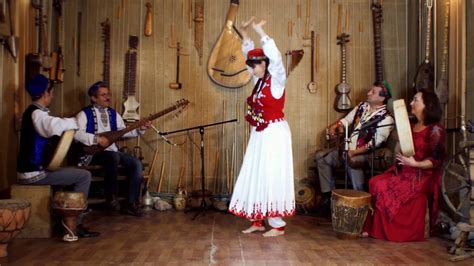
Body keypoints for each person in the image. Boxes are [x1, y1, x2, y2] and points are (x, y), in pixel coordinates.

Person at [228, 17, 295, 237]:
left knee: (272, 174)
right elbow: (249, 52)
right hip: (259, 133)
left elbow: (275, 60)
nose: (251, 71)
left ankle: (277, 224)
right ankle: (256, 220)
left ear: (263, 64)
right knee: (256, 172)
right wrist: (246, 34)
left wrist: (260, 32)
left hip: (275, 133)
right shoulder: (259, 81)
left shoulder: (277, 80)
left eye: (254, 67)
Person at [17, 74, 99, 239]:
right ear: (45, 93)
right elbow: (54, 127)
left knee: (73, 172)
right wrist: (77, 121)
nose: (52, 96)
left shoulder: (34, 113)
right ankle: (75, 224)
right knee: (83, 175)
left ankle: (64, 219)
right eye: (51, 92)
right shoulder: (37, 114)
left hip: (33, 171)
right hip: (34, 173)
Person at [363, 90, 445, 242]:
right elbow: (401, 147)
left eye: (416, 100)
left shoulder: (435, 129)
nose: (411, 103)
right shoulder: (411, 126)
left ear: (427, 105)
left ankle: (396, 232)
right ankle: (374, 227)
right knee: (374, 182)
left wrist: (415, 164)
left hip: (422, 174)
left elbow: (436, 160)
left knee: (381, 186)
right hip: (403, 170)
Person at [74, 81, 151, 217]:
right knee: (113, 157)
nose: (107, 97)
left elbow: (123, 132)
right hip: (94, 153)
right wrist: (96, 139)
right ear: (93, 98)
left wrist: (140, 128)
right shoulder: (84, 114)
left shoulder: (113, 114)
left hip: (112, 151)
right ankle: (112, 197)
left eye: (107, 94)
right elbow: (77, 134)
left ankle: (131, 204)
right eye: (103, 95)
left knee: (136, 163)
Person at [316, 82, 394, 213]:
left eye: (373, 92)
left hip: (366, 155)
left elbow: (375, 143)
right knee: (321, 157)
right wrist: (335, 126)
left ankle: (360, 202)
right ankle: (329, 197)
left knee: (352, 161)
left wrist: (354, 152)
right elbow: (346, 120)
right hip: (346, 150)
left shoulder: (386, 118)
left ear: (382, 98)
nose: (368, 93)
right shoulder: (362, 107)